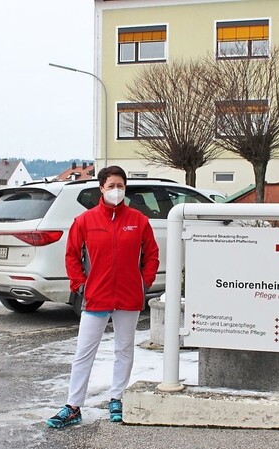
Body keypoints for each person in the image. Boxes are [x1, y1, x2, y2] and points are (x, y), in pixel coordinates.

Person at [46, 165, 159, 428]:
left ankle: (116, 399)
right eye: (111, 186)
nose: (116, 191)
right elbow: (72, 256)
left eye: (121, 186)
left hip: (128, 297)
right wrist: (80, 285)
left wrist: (144, 282)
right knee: (84, 352)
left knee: (124, 350)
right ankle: (73, 406)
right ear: (101, 188)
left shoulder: (138, 220)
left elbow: (151, 254)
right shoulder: (85, 221)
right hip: (96, 297)